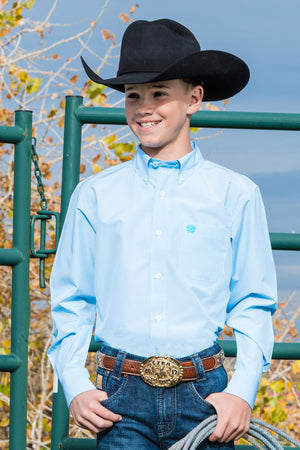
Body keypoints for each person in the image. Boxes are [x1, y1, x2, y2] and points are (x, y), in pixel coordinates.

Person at [48, 19, 277, 449]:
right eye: (133, 96)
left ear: (194, 99)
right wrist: (76, 383)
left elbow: (253, 300)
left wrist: (241, 392)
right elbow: (72, 297)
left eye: (159, 94)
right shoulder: (95, 195)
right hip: (120, 395)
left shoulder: (235, 194)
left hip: (205, 394)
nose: (144, 107)